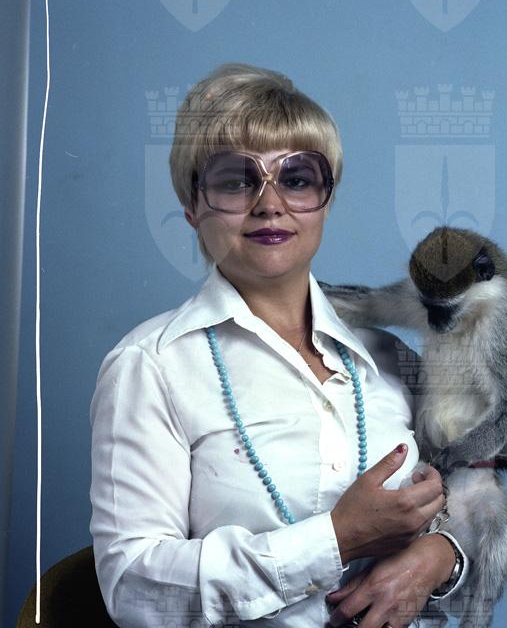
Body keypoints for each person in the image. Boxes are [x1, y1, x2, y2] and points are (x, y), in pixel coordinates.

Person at [89, 63, 469, 628]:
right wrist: (337, 539)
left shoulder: (391, 359)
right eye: (236, 181)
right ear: (192, 207)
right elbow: (134, 589)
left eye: (296, 179)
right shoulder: (151, 366)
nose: (270, 203)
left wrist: (441, 556)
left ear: (326, 200)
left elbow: (471, 507)